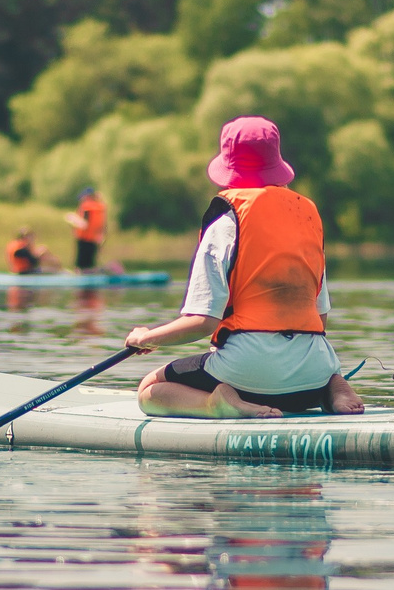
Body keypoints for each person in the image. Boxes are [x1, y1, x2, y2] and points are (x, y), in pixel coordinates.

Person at [124, 116, 365, 418]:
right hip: (312, 375)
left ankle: (217, 403)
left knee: (150, 390)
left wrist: (146, 338)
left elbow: (203, 323)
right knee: (303, 372)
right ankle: (332, 386)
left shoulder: (226, 223)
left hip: (247, 375)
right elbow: (321, 317)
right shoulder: (308, 219)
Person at [64, 186, 108, 272]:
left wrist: (72, 219)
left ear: (87, 196)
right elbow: (103, 227)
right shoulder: (100, 207)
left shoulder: (87, 207)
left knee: (81, 265)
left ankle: (81, 276)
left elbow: (84, 224)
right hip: (94, 240)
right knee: (90, 264)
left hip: (84, 240)